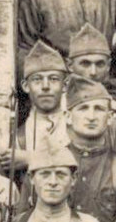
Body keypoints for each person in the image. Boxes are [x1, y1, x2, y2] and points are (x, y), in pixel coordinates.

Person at [63, 77, 116, 222]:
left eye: (99, 109)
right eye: (83, 108)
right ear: (68, 117)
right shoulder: (49, 163)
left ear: (110, 117)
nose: (91, 116)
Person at [9, 40, 71, 175]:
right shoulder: (19, 137)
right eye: (37, 79)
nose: (45, 86)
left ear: (65, 85)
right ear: (25, 86)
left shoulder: (76, 124)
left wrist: (31, 158)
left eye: (53, 79)